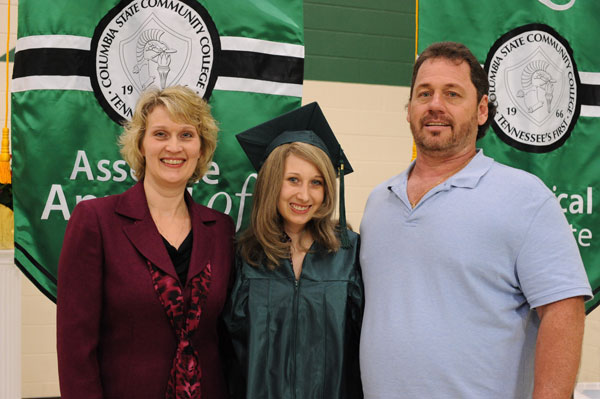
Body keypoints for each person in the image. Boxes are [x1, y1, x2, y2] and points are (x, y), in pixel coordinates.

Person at [359, 42, 593, 399]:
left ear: (482, 110)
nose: (435, 104)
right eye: (424, 93)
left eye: (452, 93)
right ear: (409, 110)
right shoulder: (379, 203)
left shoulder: (525, 197)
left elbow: (564, 311)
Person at [57, 86, 235, 399]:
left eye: (186, 135)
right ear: (141, 144)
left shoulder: (220, 229)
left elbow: (224, 340)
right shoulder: (96, 220)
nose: (174, 147)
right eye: (161, 134)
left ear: (202, 147)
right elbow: (75, 346)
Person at [223, 102, 364, 399]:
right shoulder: (242, 255)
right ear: (273, 183)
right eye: (293, 180)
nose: (304, 195)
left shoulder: (349, 254)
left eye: (316, 183)